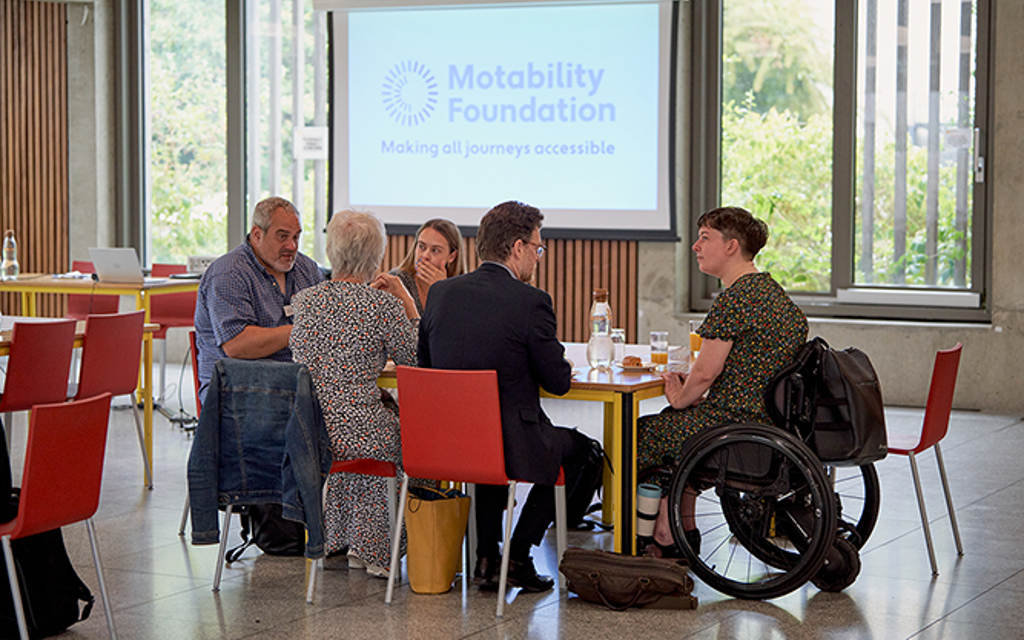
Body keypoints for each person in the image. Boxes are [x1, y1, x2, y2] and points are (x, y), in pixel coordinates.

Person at [418, 200, 592, 593]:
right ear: (517, 248)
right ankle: (518, 555)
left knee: (488, 438)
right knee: (583, 450)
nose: (538, 257)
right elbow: (559, 381)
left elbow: (425, 367)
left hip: (448, 446)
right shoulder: (530, 302)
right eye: (537, 248)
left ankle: (485, 557)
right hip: (513, 446)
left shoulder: (440, 294)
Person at [636, 206, 808, 556]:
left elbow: (705, 372)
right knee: (672, 427)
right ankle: (675, 532)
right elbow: (749, 372)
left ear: (731, 246)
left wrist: (680, 397)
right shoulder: (777, 298)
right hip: (767, 421)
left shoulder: (736, 297)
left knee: (641, 435)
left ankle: (656, 536)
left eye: (704, 238)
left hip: (733, 426)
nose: (696, 246)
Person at [290, 209, 419, 578]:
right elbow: (415, 362)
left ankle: (339, 540)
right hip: (362, 430)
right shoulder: (383, 306)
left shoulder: (305, 301)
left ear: (332, 250)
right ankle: (377, 550)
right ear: (377, 256)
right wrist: (406, 302)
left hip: (312, 430)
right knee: (410, 445)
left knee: (369, 432)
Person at [193, 196, 324, 403]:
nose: (292, 246)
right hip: (237, 390)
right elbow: (237, 346)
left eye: (296, 237)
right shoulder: (228, 274)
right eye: (282, 237)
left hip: (295, 383)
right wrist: (301, 331)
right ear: (257, 235)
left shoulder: (307, 269)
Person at [389, 218, 467, 316]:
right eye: (421, 247)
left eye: (435, 250)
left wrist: (443, 291)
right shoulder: (398, 281)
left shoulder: (461, 291)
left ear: (452, 256)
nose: (425, 256)